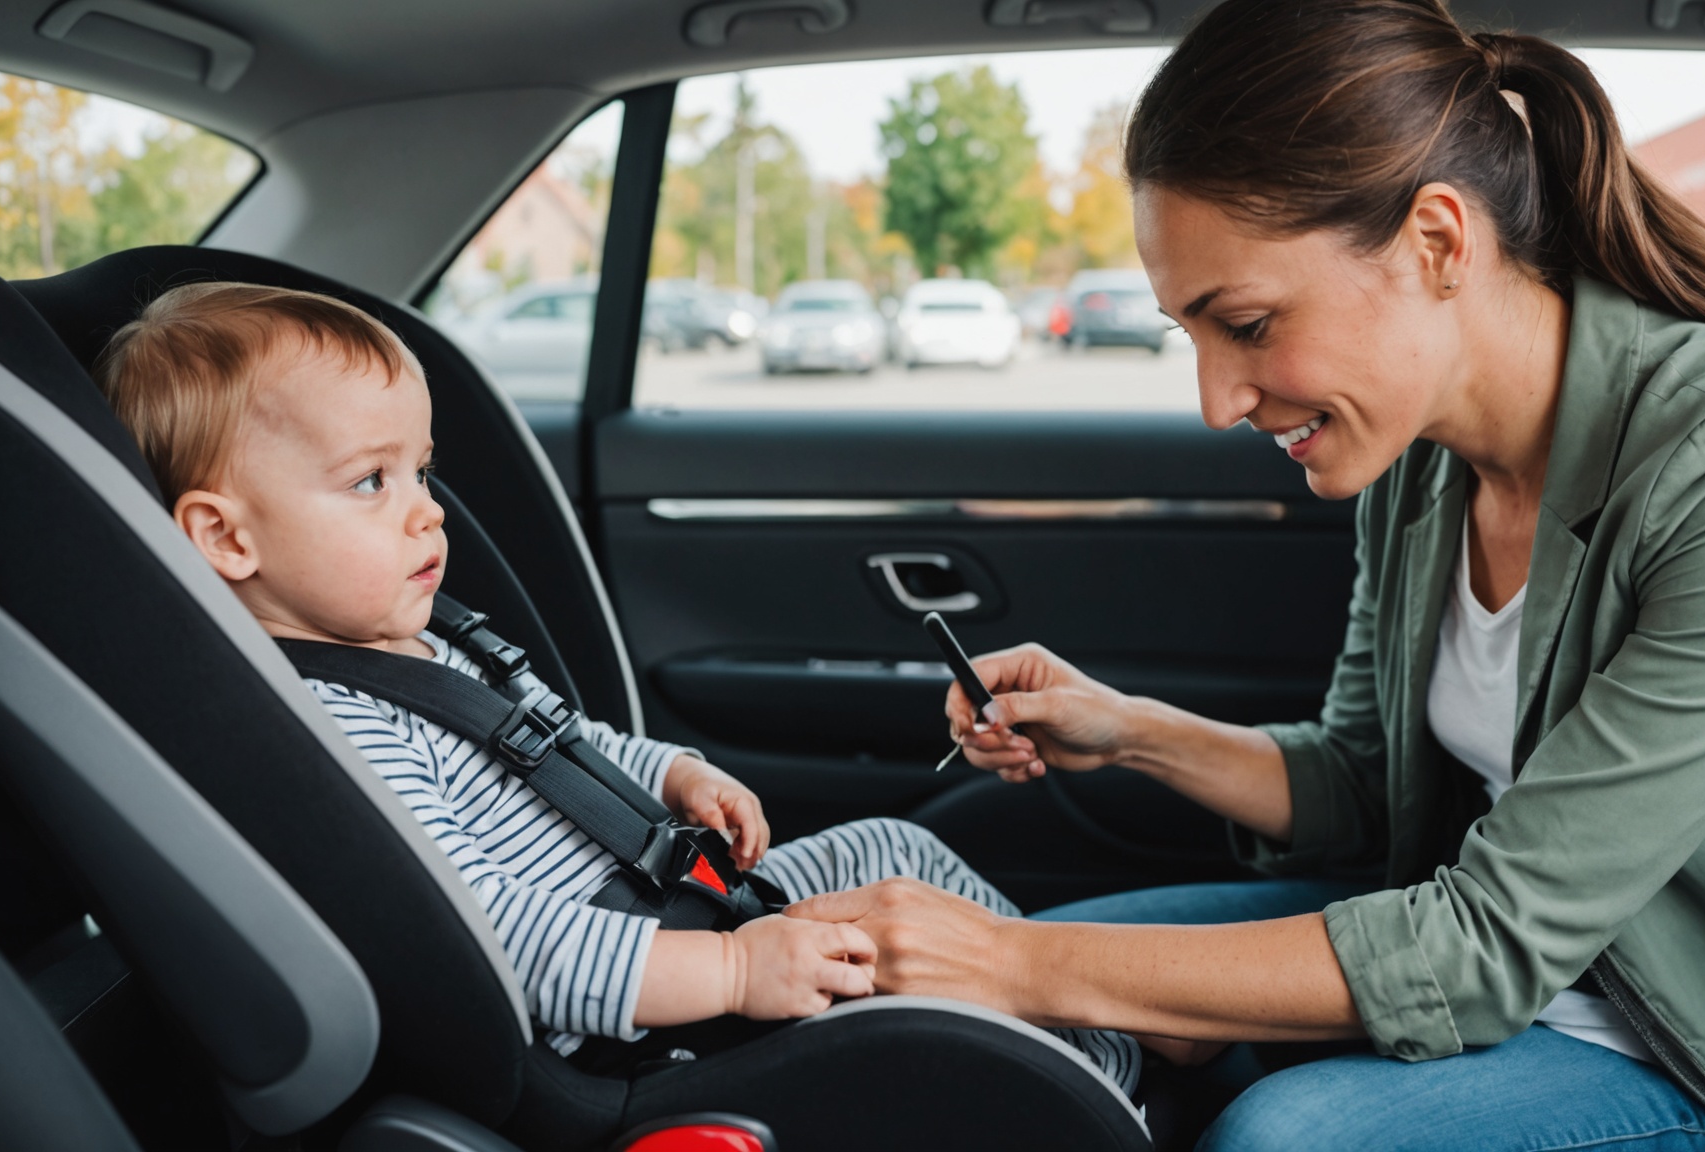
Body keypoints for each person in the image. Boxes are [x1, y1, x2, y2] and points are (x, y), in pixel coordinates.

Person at [786, 2, 1705, 1150]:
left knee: (1276, 1133)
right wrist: (1125, 730)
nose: (1218, 401)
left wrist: (1029, 964)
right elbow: (1360, 780)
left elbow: (1485, 946)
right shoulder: (1418, 459)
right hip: (1493, 950)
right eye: (1192, 334)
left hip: (1703, 1047)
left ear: (1437, 243)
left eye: (1247, 322)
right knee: (998, 1020)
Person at [96, 281, 1140, 1093]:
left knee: (897, 850)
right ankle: (1104, 1081)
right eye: (373, 482)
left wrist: (675, 773)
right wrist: (734, 976)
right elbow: (497, 938)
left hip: (675, 911)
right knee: (890, 957)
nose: (427, 513)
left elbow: (567, 745)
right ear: (225, 537)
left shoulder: (425, 641)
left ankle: (1105, 1026)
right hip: (643, 1012)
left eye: (422, 471)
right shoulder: (336, 728)